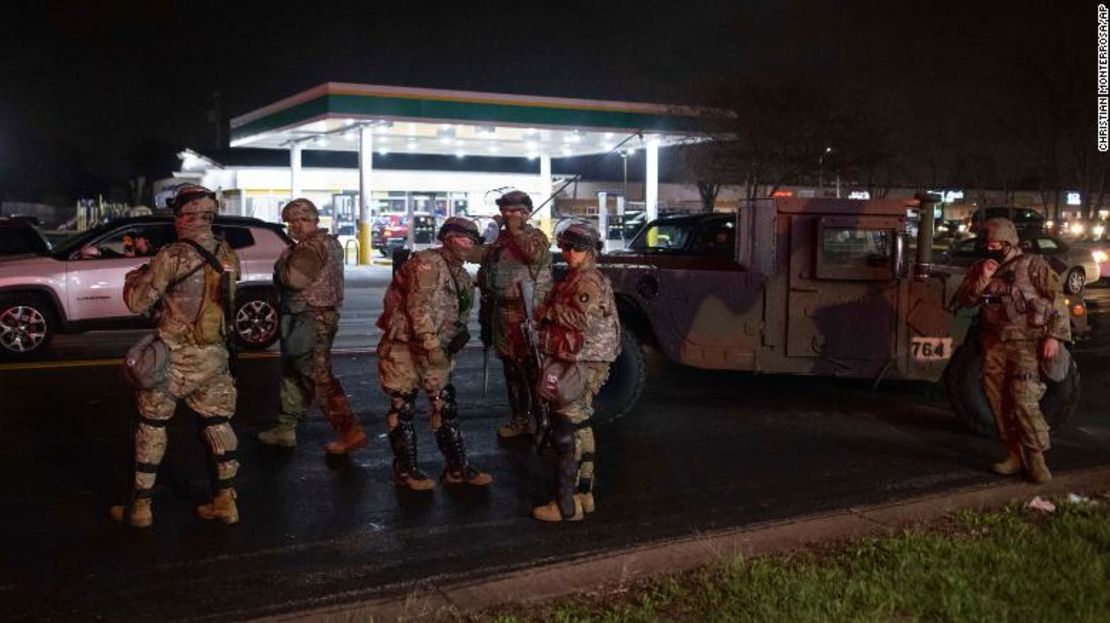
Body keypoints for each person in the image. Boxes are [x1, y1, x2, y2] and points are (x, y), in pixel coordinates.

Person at [111, 184, 242, 527]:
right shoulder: (228, 253)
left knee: (152, 426)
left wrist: (134, 279)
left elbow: (137, 302)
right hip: (213, 356)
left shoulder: (173, 255)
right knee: (217, 424)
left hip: (172, 358)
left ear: (182, 216)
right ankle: (225, 501)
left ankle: (140, 508)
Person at [376, 217, 493, 490]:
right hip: (405, 345)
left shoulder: (462, 276)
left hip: (436, 349)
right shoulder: (426, 263)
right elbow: (417, 308)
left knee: (444, 404)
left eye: (472, 241)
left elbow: (457, 316)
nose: (469, 245)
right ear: (448, 238)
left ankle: (458, 467)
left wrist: (451, 343)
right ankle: (406, 471)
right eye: (464, 238)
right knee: (402, 405)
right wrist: (431, 345)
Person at [953, 217, 1070, 484]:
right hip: (994, 343)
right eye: (988, 244)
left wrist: (1054, 336)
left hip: (1027, 343)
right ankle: (1014, 454)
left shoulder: (1033, 266)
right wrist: (982, 278)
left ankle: (1036, 458)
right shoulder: (983, 268)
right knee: (998, 401)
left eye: (996, 244)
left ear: (1009, 242)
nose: (991, 248)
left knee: (1023, 399)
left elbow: (1057, 301)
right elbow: (964, 301)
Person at [258, 199, 367, 454]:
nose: (293, 227)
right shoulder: (329, 243)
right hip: (310, 318)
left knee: (316, 377)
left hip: (310, 319)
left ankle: (350, 431)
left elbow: (295, 280)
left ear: (309, 220)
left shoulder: (309, 247)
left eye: (297, 221)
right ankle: (285, 428)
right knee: (293, 372)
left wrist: (282, 264)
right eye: (291, 222)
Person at [532, 222, 620, 522]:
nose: (569, 253)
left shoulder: (587, 281)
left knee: (565, 428)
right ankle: (584, 494)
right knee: (580, 424)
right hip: (580, 358)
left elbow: (580, 321)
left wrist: (548, 312)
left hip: (583, 361)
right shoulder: (577, 276)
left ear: (590, 251)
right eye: (565, 247)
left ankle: (565, 505)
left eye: (577, 248)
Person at [471, 190, 553, 439]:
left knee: (533, 370)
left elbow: (533, 255)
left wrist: (516, 230)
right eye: (505, 211)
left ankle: (544, 424)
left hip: (528, 314)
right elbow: (479, 258)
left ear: (526, 213)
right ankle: (520, 420)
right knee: (511, 370)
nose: (508, 215)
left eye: (514, 210)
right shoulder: (500, 239)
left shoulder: (535, 237)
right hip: (502, 312)